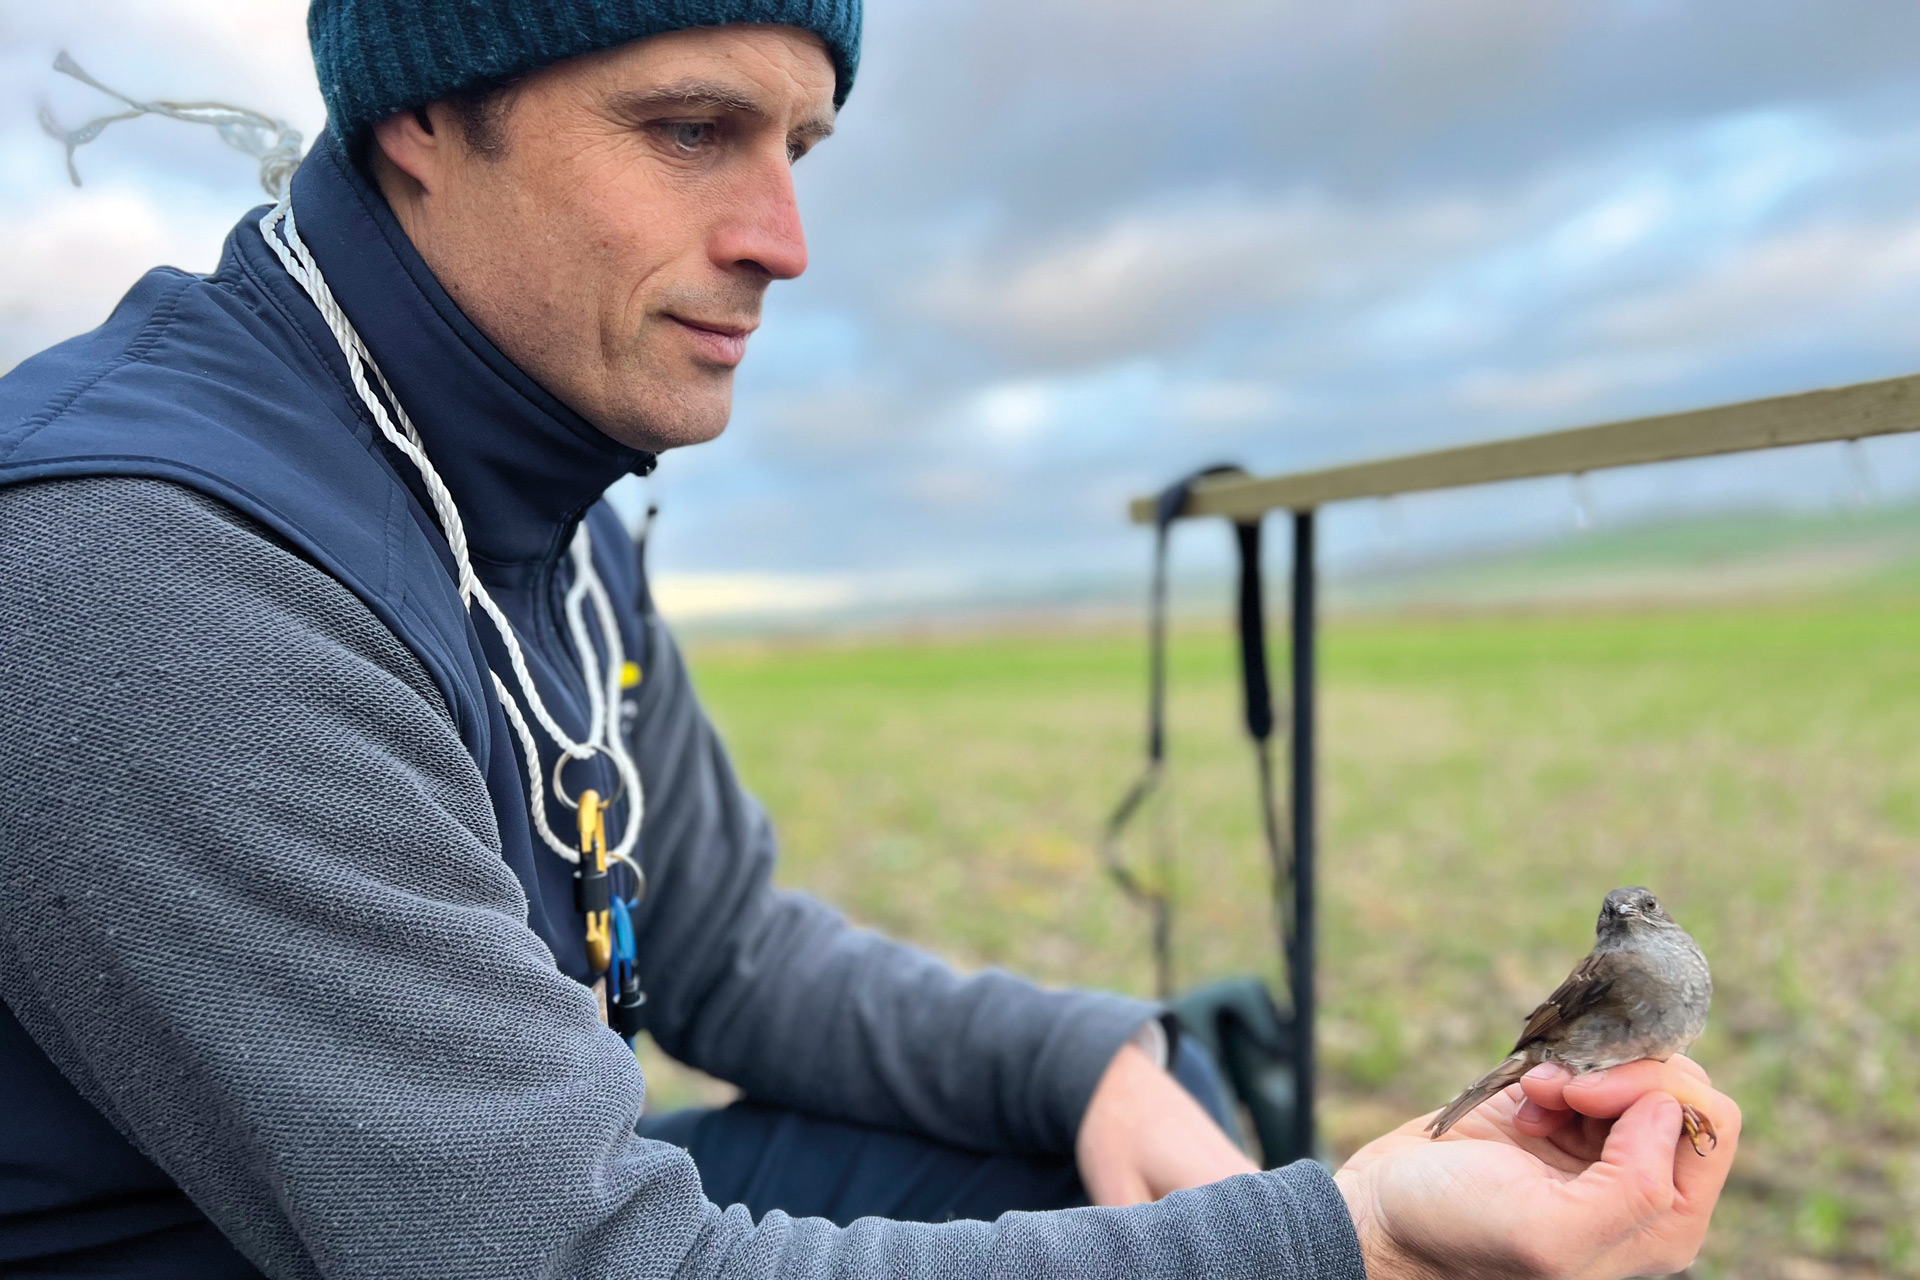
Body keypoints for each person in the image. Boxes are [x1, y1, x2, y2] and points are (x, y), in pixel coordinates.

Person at [0, 3, 1738, 1277]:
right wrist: (1343, 1240)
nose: (786, 240)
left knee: (1115, 1113)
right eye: (692, 129)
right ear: (423, 119)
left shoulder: (532, 498)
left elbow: (722, 953)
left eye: (801, 145)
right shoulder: (150, 566)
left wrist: (1095, 1058)